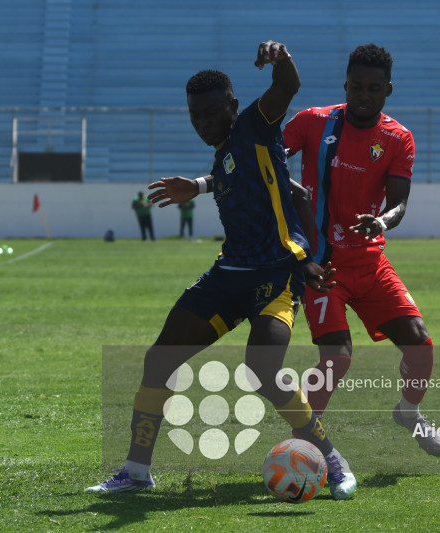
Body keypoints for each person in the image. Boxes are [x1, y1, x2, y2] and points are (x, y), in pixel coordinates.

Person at [86, 41, 356, 500]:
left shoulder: (257, 122)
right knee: (159, 360)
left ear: (233, 104)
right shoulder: (226, 150)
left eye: (212, 112)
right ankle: (135, 471)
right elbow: (254, 179)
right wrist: (198, 184)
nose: (203, 122)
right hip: (228, 275)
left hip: (273, 277)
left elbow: (288, 87)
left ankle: (331, 459)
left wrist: (281, 58)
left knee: (263, 369)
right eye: (196, 117)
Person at [282, 44, 440, 458]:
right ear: (346, 85)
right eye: (357, 86)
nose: (364, 95)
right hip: (322, 266)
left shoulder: (397, 137)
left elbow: (399, 203)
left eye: (373, 88)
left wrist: (383, 221)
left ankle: (409, 411)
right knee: (336, 358)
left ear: (388, 90)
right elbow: (264, 160)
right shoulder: (311, 122)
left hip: (371, 263)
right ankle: (304, 447)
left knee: (420, 345)